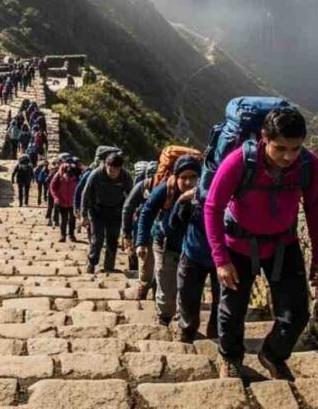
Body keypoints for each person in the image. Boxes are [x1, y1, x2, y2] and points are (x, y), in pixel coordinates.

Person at [204, 106, 318, 381]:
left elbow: (314, 208)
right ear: (264, 137)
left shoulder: (308, 164)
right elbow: (212, 207)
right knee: (233, 311)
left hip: (284, 245)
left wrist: (317, 254)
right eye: (281, 148)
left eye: (295, 148)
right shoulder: (238, 163)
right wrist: (221, 260)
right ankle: (231, 358)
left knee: (297, 313)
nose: (289, 157)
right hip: (238, 246)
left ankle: (272, 354)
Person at [136, 155, 202, 325]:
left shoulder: (205, 191)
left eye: (193, 177)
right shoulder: (166, 189)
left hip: (193, 247)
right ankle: (164, 317)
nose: (188, 182)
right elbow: (147, 212)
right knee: (166, 284)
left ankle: (182, 320)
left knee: (187, 288)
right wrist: (142, 242)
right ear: (176, 177)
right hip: (166, 244)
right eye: (184, 177)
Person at [169, 185, 219, 342]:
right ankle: (188, 331)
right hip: (194, 251)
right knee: (188, 296)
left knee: (223, 301)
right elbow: (173, 223)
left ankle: (217, 335)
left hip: (223, 255)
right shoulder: (192, 197)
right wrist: (181, 202)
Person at [82, 151, 133, 274]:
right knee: (97, 239)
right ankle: (92, 263)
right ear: (106, 165)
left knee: (112, 239)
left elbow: (131, 196)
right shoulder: (97, 174)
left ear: (120, 168)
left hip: (115, 211)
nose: (112, 172)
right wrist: (83, 215)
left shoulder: (125, 176)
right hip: (97, 210)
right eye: (110, 168)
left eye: (115, 170)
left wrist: (131, 213)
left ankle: (109, 266)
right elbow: (86, 193)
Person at [122, 161, 158, 299]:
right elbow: (128, 208)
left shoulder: (170, 185)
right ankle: (143, 290)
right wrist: (127, 234)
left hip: (164, 234)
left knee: (162, 270)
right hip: (144, 233)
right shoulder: (142, 187)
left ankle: (157, 296)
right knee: (146, 267)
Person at [50, 161, 79, 242]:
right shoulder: (58, 176)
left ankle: (71, 235)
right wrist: (56, 198)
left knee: (73, 219)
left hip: (73, 202)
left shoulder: (76, 176)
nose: (69, 178)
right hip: (62, 201)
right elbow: (52, 187)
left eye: (70, 177)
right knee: (64, 219)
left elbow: (80, 189)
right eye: (67, 176)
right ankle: (63, 235)